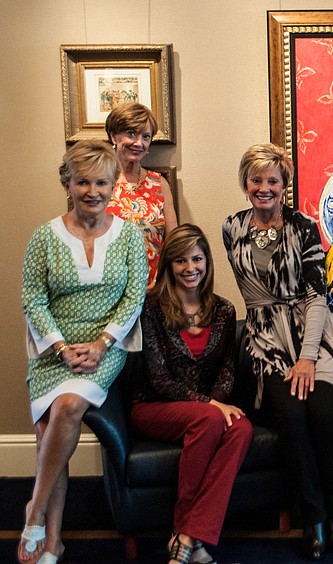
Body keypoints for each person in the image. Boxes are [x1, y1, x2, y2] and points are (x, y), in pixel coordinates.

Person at [20, 140, 147, 563]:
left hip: (103, 347)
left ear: (113, 187)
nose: (92, 191)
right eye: (82, 182)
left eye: (101, 182)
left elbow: (133, 300)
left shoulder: (129, 235)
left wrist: (99, 344)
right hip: (51, 350)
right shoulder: (44, 236)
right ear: (68, 184)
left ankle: (34, 509)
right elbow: (33, 298)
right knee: (47, 431)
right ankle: (52, 541)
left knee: (70, 405)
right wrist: (59, 347)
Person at [222, 143, 333, 560]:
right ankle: (310, 516)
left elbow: (316, 297)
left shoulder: (305, 227)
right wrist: (287, 355)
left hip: (314, 336)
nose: (264, 188)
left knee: (321, 412)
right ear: (245, 183)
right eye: (256, 180)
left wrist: (308, 356)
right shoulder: (231, 228)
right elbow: (258, 296)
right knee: (293, 416)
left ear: (284, 184)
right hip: (266, 343)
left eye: (272, 180)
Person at [132, 224, 253, 564]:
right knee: (212, 419)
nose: (190, 268)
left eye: (197, 259)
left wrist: (217, 402)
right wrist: (212, 404)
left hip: (205, 413)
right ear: (169, 265)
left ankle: (188, 536)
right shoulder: (152, 309)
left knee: (242, 428)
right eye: (181, 261)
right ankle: (185, 530)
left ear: (207, 262)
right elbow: (158, 379)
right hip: (156, 407)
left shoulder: (224, 310)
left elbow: (228, 369)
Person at [105, 102, 178, 288]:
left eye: (145, 137)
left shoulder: (159, 184)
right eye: (131, 134)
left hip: (154, 289)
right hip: (109, 291)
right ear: (114, 136)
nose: (139, 143)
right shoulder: (99, 183)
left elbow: (174, 243)